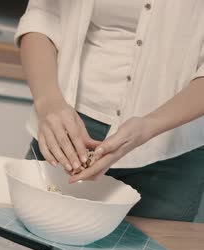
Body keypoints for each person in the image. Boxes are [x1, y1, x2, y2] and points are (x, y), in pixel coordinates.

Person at [15, 0, 204, 221]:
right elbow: (43, 16)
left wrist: (150, 125)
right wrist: (48, 103)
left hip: (171, 148)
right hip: (68, 133)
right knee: (31, 244)